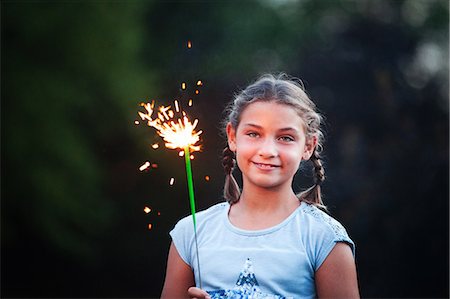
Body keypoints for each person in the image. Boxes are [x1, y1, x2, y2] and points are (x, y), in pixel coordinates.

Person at [161, 74, 359, 299]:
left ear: (308, 146)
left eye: (285, 138)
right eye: (253, 134)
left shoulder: (323, 238)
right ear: (233, 137)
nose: (267, 150)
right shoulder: (191, 233)